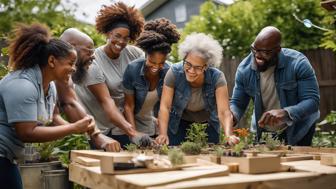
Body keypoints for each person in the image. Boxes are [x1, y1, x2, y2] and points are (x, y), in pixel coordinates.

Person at [0, 23, 94, 189]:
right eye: (70, 63)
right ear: (51, 61)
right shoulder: (23, 85)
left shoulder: (49, 86)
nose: (73, 69)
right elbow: (27, 133)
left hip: (8, 157)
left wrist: (81, 128)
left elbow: (53, 119)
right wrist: (73, 128)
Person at [230, 26, 320, 146]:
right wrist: (232, 116)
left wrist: (286, 113)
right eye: (255, 49)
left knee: (296, 163)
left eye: (265, 52)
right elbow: (238, 103)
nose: (258, 56)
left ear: (278, 50)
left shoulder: (298, 63)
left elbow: (312, 101)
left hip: (298, 128)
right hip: (264, 130)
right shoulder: (244, 70)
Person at [74, 2, 145, 147]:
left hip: (123, 126)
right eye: (117, 36)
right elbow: (107, 102)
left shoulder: (135, 54)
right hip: (101, 130)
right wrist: (132, 132)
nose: (121, 42)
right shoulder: (93, 62)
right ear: (108, 33)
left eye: (126, 38)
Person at [155, 33, 239, 146]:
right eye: (188, 64)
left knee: (210, 157)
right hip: (179, 122)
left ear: (206, 66)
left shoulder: (217, 77)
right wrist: (163, 134)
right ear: (184, 58)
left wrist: (229, 134)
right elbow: (165, 106)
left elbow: (224, 111)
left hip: (208, 123)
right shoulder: (174, 72)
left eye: (198, 67)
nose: (191, 71)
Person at [56, 28, 121, 152]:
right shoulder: (48, 72)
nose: (94, 56)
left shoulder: (66, 77)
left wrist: (96, 135)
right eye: (89, 51)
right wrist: (96, 137)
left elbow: (70, 105)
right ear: (71, 47)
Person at [123, 18, 180, 146]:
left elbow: (165, 106)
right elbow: (128, 106)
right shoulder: (132, 69)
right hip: (130, 123)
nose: (156, 67)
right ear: (146, 54)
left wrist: (162, 133)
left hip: (151, 122)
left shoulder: (168, 71)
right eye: (152, 62)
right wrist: (133, 134)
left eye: (161, 63)